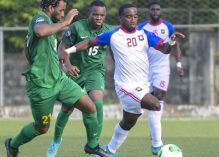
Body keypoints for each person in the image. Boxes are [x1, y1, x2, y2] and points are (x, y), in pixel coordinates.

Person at [60, 3, 185, 157]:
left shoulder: (144, 34)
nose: (132, 19)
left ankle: (110, 150)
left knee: (128, 122)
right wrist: (67, 51)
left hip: (142, 86)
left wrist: (171, 41)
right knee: (155, 104)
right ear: (120, 18)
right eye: (128, 16)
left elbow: (164, 49)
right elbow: (88, 43)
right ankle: (157, 148)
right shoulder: (113, 35)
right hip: (126, 87)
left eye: (135, 16)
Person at [4, 1, 111, 157]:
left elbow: (27, 47)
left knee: (91, 107)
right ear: (50, 8)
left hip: (60, 80)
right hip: (42, 86)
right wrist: (65, 22)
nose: (62, 14)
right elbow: (40, 31)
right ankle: (12, 144)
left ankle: (92, 146)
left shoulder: (48, 23)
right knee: (42, 128)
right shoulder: (40, 19)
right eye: (61, 11)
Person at [46, 1, 114, 157]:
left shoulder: (110, 30)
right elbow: (62, 48)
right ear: (89, 14)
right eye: (95, 14)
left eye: (102, 15)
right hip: (75, 72)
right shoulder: (77, 27)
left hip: (95, 71)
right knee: (67, 108)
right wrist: (67, 65)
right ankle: (56, 140)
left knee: (97, 102)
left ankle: (94, 145)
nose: (98, 17)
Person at [137, 1, 184, 155]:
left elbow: (175, 45)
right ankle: (154, 127)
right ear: (148, 11)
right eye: (153, 9)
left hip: (162, 68)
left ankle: (156, 140)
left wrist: (178, 63)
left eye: (158, 9)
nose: (155, 11)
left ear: (161, 11)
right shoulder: (142, 27)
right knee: (145, 101)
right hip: (145, 68)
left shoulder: (168, 27)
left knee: (158, 97)